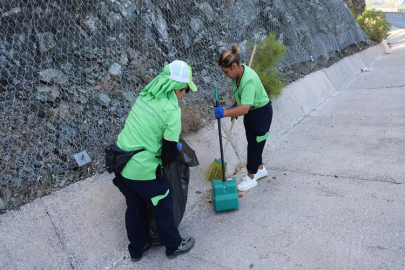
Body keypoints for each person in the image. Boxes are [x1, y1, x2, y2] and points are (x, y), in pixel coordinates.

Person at [114, 60, 197, 262]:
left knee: (134, 206)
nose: (185, 94)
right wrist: (175, 147)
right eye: (186, 89)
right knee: (163, 202)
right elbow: (168, 156)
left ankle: (137, 248)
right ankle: (174, 245)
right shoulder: (171, 111)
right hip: (142, 169)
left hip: (120, 162)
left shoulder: (146, 94)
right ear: (178, 88)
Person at [214, 44, 273, 192]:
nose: (225, 75)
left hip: (261, 113)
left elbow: (245, 108)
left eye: (226, 71)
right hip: (251, 113)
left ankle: (251, 177)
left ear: (234, 66)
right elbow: (238, 91)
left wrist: (225, 112)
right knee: (253, 142)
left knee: (254, 145)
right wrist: (234, 104)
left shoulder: (248, 79)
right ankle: (260, 169)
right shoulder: (238, 74)